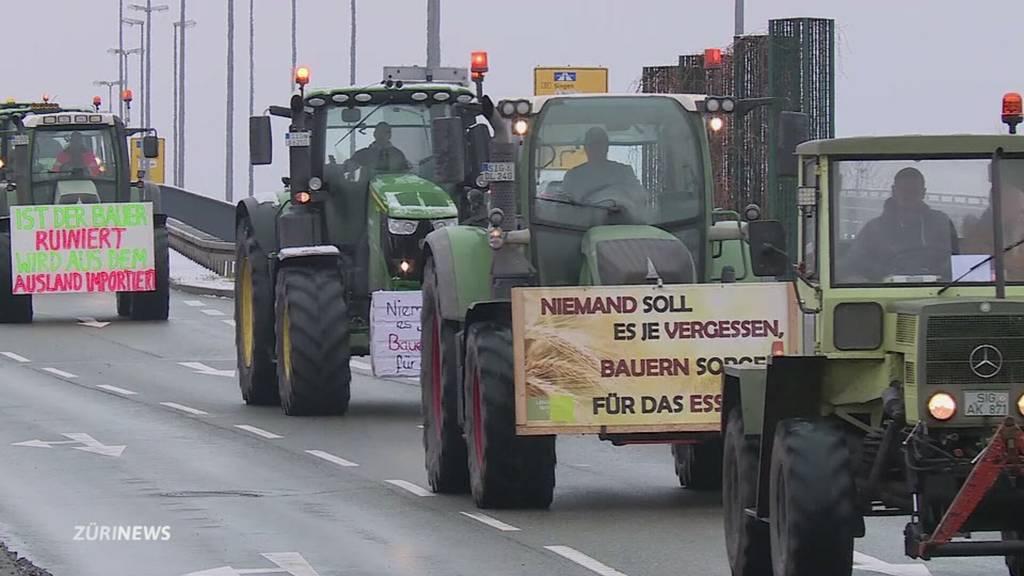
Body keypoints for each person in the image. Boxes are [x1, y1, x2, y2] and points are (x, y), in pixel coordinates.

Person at [843, 167, 958, 282]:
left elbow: (956, 260)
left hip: (938, 291)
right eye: (903, 190)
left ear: (923, 193)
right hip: (883, 291)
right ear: (893, 191)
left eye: (913, 191)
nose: (908, 196)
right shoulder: (874, 228)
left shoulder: (941, 223)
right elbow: (853, 263)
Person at [961, 161, 1024, 280]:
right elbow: (975, 267)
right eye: (1019, 210)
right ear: (998, 206)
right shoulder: (977, 236)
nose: (1021, 216)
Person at [562, 127, 642, 204]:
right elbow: (564, 206)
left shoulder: (624, 173)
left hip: (620, 217)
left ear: (607, 147)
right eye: (592, 144)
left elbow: (638, 199)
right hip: (581, 217)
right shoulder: (573, 177)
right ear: (586, 148)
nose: (596, 148)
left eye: (599, 143)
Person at [344, 122, 409, 173]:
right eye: (380, 131)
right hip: (366, 188)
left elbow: (407, 173)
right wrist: (349, 164)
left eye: (386, 132)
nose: (382, 134)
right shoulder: (362, 154)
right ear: (374, 134)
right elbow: (347, 167)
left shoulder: (398, 155)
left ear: (390, 135)